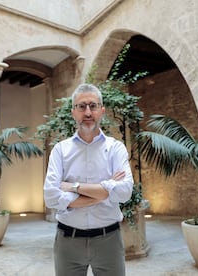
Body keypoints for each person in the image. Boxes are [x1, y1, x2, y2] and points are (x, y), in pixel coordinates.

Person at [43, 83, 134, 276]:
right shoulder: (60, 150)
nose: (87, 112)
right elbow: (51, 197)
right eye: (81, 106)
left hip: (108, 239)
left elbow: (125, 192)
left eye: (93, 106)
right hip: (68, 241)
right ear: (73, 112)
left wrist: (73, 187)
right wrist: (106, 190)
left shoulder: (115, 148)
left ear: (101, 110)